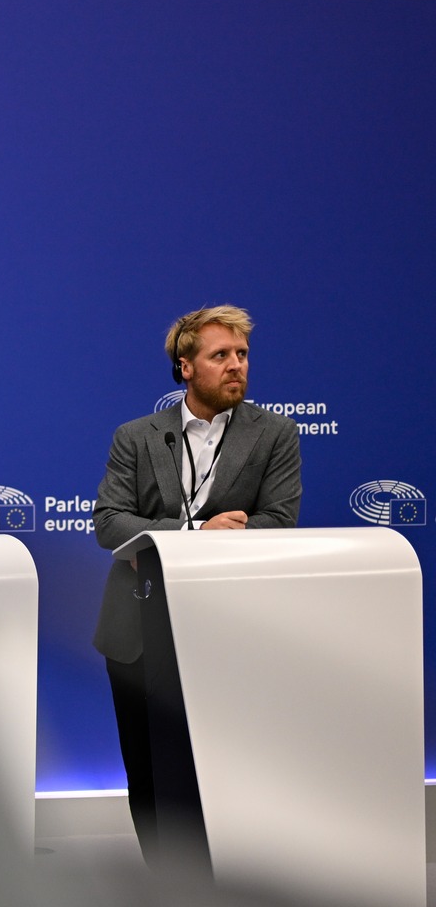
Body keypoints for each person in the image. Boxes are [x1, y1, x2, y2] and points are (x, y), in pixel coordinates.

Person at [92, 305, 301, 860]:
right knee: (150, 774)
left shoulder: (274, 433)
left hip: (227, 629)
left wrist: (218, 539)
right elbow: (109, 522)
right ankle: (166, 890)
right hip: (136, 627)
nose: (237, 366)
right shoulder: (137, 437)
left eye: (243, 355)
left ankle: (232, 893)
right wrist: (193, 533)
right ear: (185, 367)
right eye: (221, 356)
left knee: (224, 769)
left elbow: (279, 522)